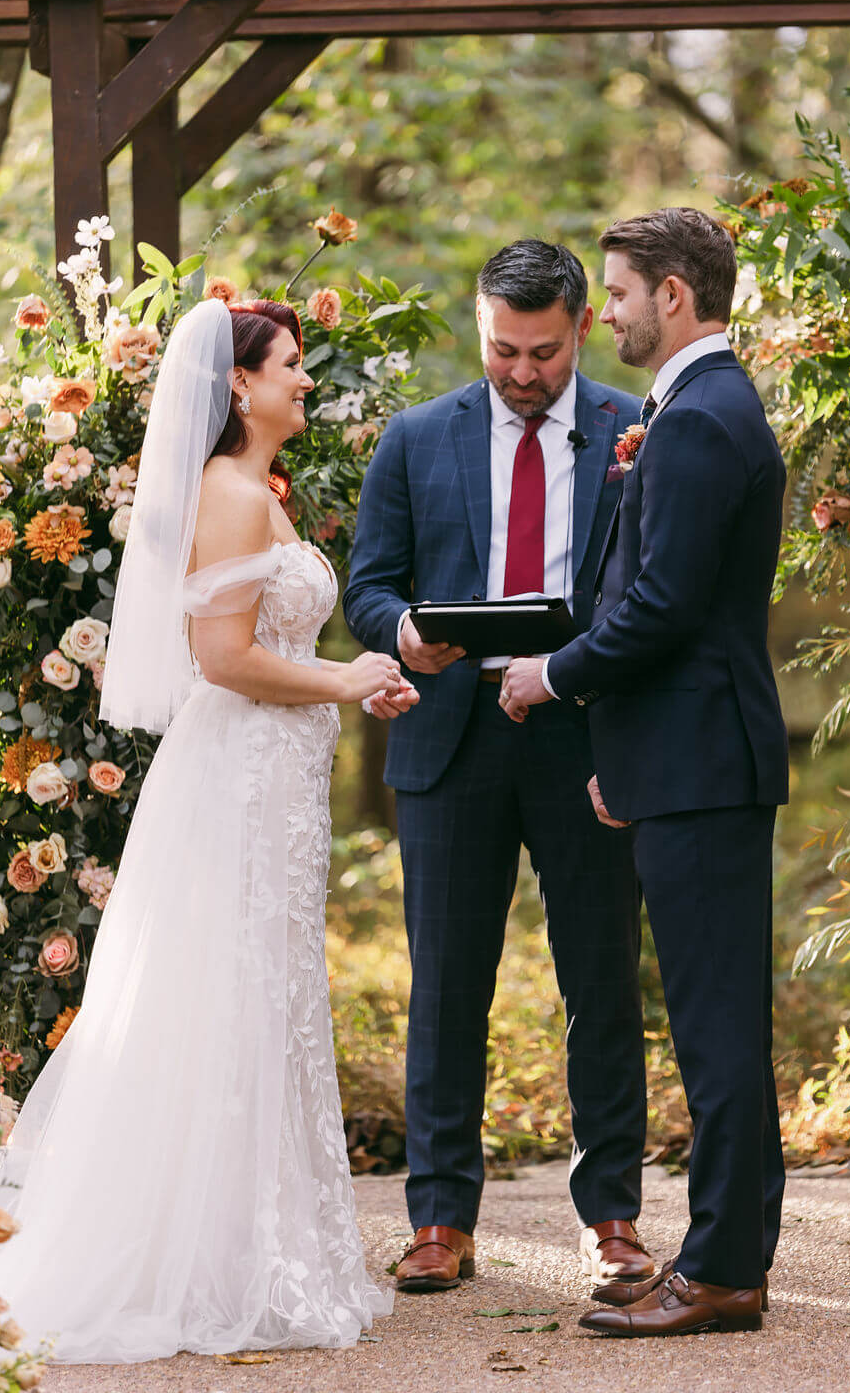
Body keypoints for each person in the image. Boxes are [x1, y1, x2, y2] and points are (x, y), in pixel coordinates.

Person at [0, 297, 417, 1362]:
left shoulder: (256, 493)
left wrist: (353, 684)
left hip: (273, 779)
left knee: (260, 994)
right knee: (222, 995)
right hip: (235, 778)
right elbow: (222, 658)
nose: (306, 382)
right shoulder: (228, 496)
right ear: (238, 384)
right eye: (290, 366)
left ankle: (251, 1251)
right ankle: (199, 1263)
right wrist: (344, 679)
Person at [343, 240, 653, 1292]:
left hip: (584, 736)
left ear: (578, 328)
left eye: (542, 352)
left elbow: (654, 584)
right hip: (450, 736)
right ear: (478, 328)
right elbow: (369, 584)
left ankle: (612, 1216)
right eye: (500, 350)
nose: (520, 372)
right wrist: (407, 632)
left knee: (603, 983)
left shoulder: (633, 432)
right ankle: (439, 1222)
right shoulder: (416, 436)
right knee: (445, 992)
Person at [502, 209, 790, 1338]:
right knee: (716, 1024)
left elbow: (662, 611)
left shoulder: (703, 420)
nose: (602, 311)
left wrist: (550, 680)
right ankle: (721, 1254)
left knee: (718, 1032)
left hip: (705, 763)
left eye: (615, 293)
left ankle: (722, 1271)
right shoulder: (694, 410)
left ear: (673, 296)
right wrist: (624, 755)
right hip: (681, 760)